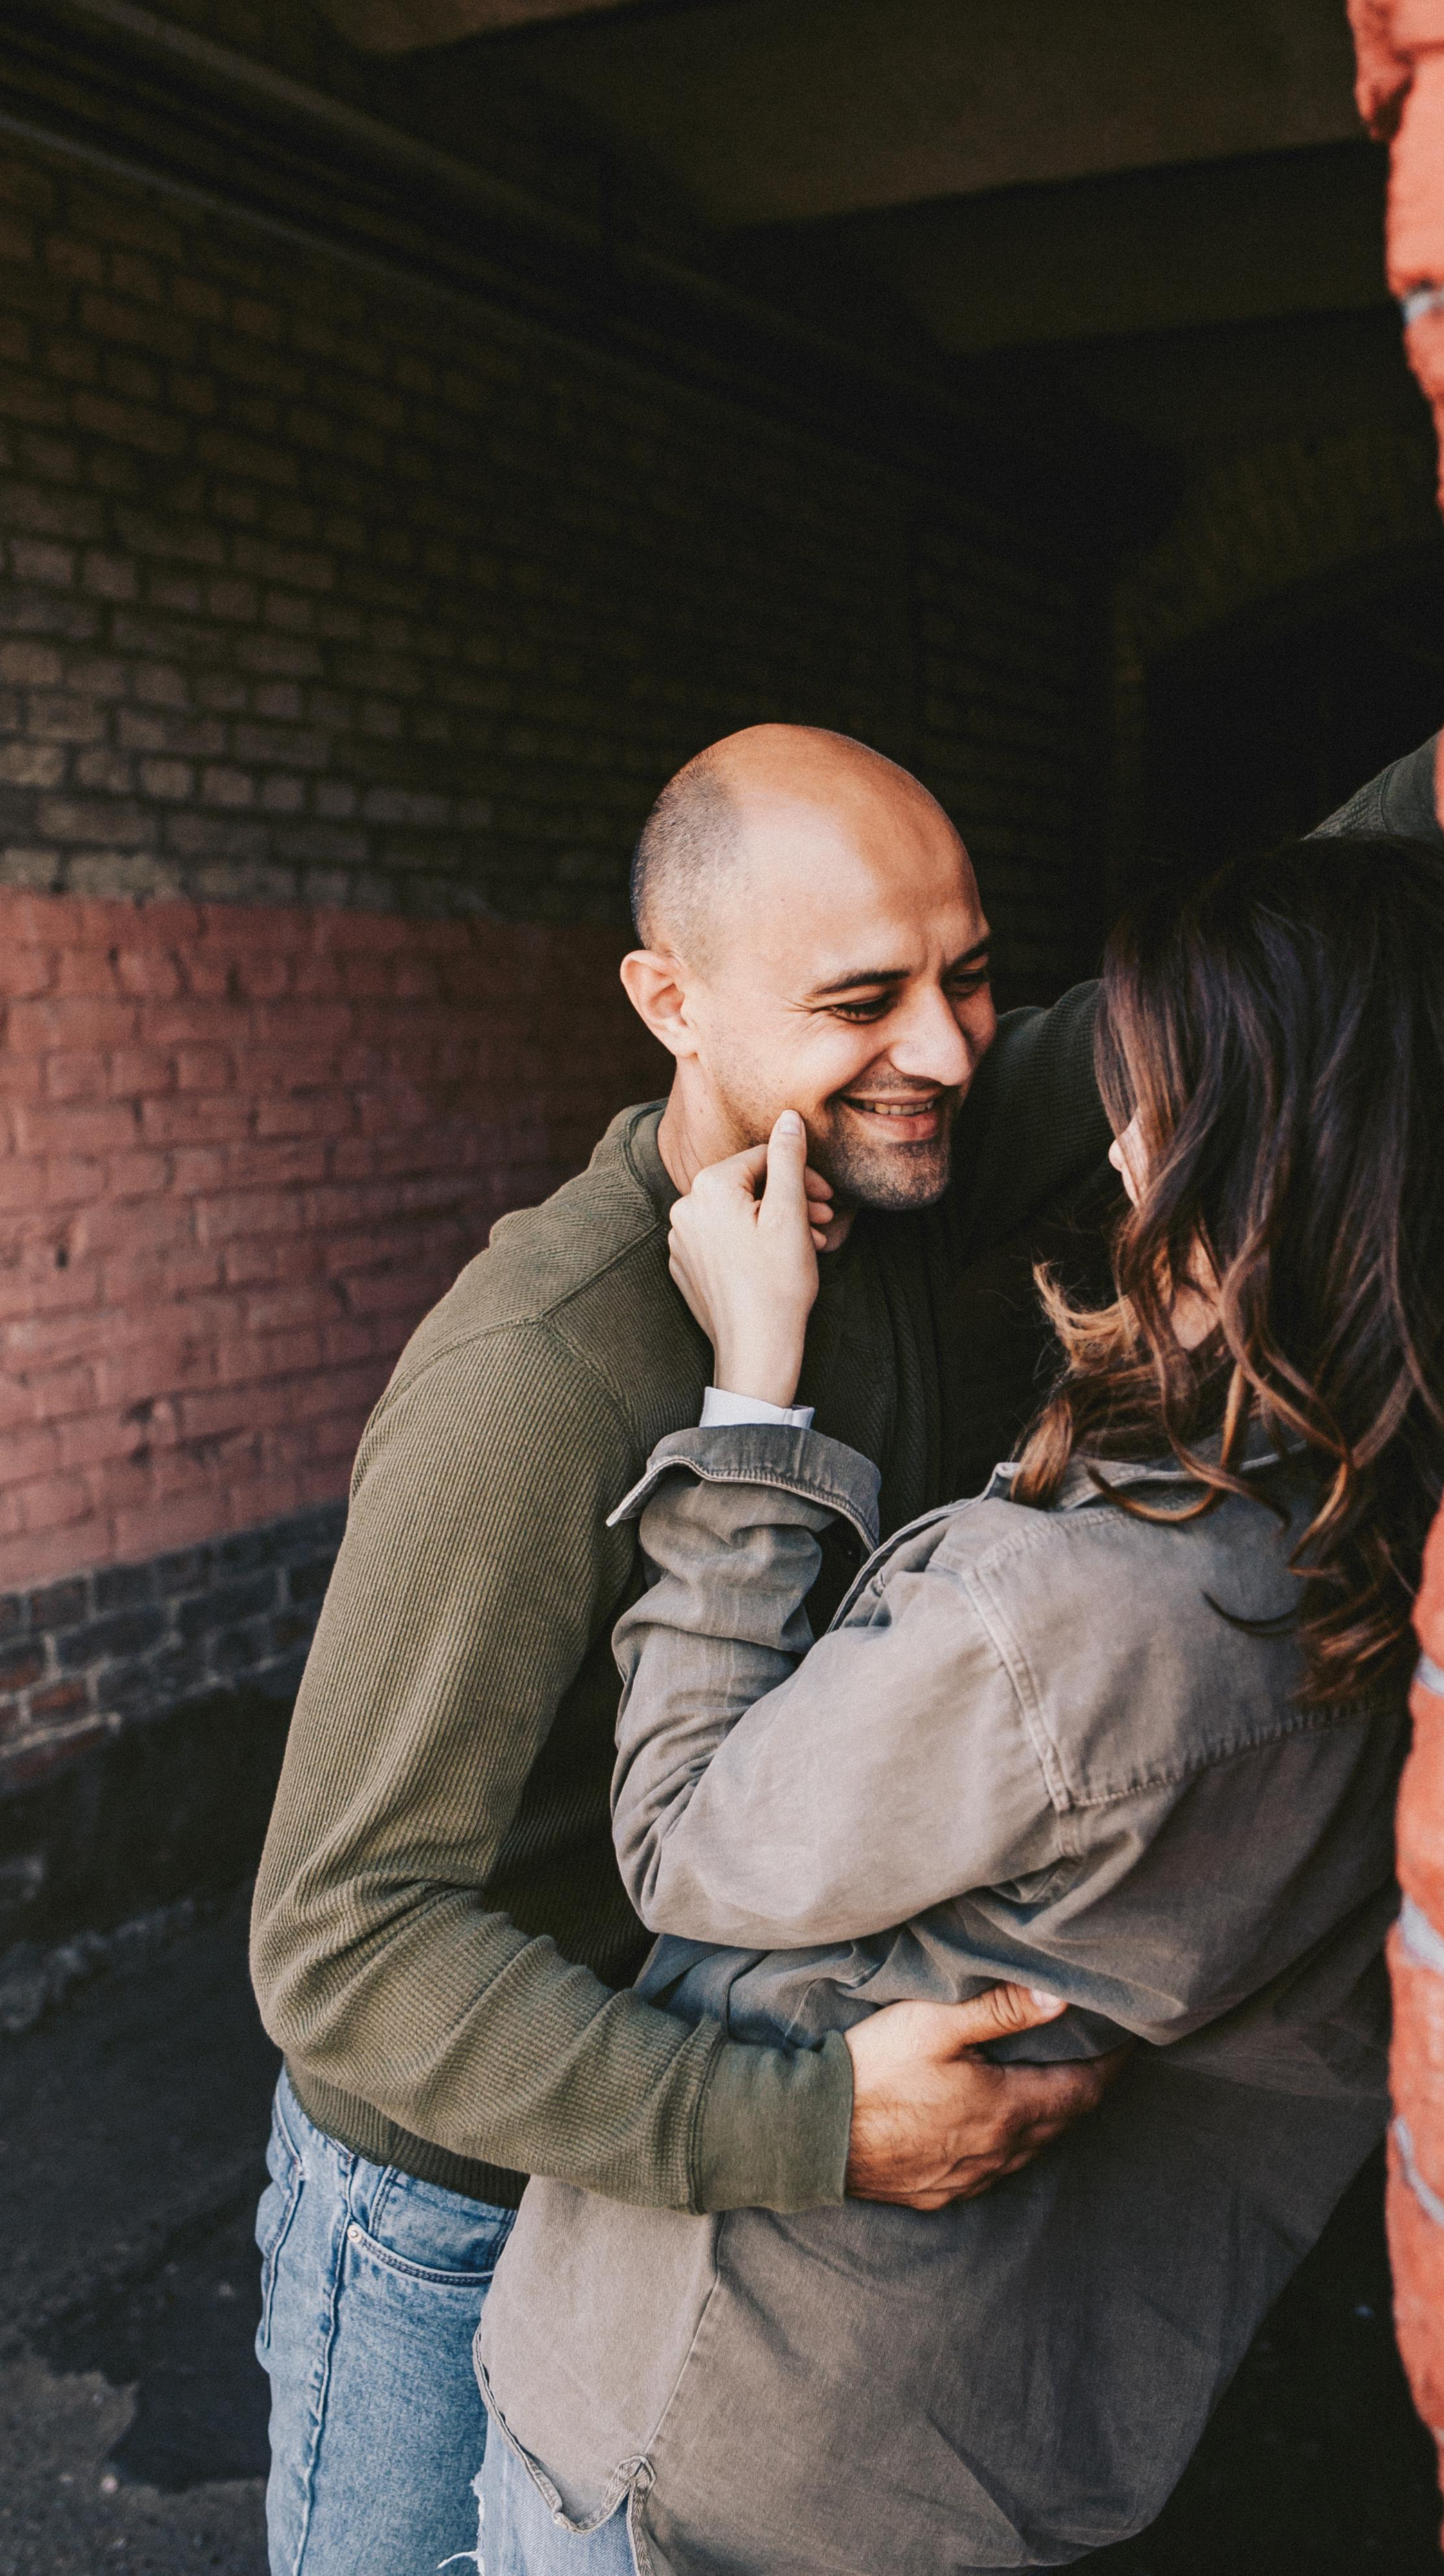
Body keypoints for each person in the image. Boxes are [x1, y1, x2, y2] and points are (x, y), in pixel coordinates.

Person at [473, 833, 1444, 2576]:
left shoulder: (1077, 1612)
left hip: (717, 2438)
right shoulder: (1413, 1535)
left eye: (1152, 1098)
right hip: (1002, 2437)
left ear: (1260, 1158)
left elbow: (684, 1841)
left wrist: (753, 1401)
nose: (1111, 1139)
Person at [249, 725, 1126, 2576]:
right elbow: (342, 1951)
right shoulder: (541, 1373)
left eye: (971, 974)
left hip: (674, 2182)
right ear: (672, 1000)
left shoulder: (913, 1161)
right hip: (456, 2205)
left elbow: (1256, 985)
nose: (953, 1049)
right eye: (864, 998)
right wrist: (812, 2124)